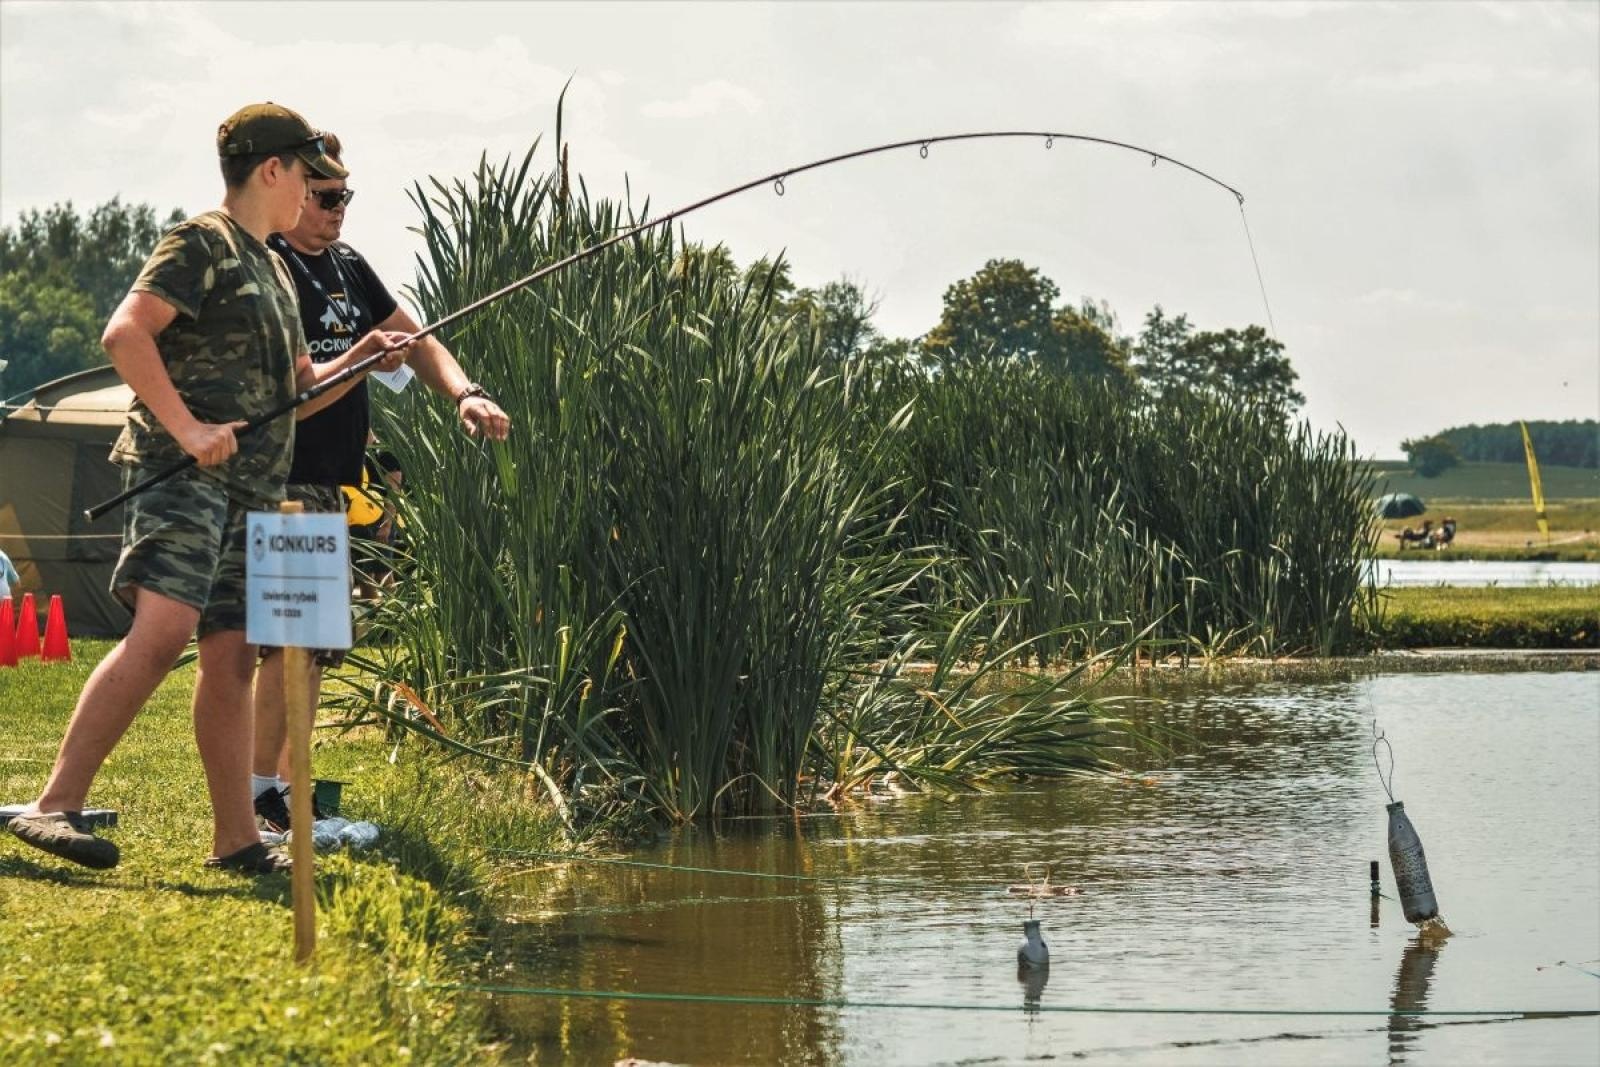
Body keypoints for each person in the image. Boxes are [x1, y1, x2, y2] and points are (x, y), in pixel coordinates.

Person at [6, 103, 411, 874]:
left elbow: (300, 386)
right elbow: (126, 332)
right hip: (183, 476)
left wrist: (364, 356)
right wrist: (189, 428)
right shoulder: (202, 242)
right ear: (272, 170)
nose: (316, 191)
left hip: (248, 492)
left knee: (229, 652)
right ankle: (55, 803)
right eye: (307, 175)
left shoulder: (269, 263)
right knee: (161, 635)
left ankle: (237, 840)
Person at [250, 132, 510, 832]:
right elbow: (295, 390)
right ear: (297, 192)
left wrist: (465, 394)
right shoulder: (273, 268)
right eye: (327, 196)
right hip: (286, 480)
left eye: (346, 197)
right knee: (288, 643)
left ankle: (281, 792)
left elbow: (418, 339)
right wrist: (362, 357)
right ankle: (265, 797)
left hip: (331, 486)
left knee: (315, 648)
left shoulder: (346, 266)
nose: (338, 210)